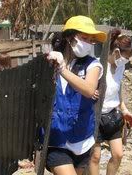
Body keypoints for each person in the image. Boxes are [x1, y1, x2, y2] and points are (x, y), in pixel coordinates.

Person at [45, 15, 107, 175]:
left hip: (82, 139)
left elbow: (88, 89)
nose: (87, 43)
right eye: (83, 38)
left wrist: (62, 69)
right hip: (55, 137)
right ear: (69, 37)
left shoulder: (93, 64)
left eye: (91, 40)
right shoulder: (51, 61)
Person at [89, 29, 132, 175]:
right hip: (95, 117)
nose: (127, 60)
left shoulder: (121, 66)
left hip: (113, 115)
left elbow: (118, 87)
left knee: (118, 155)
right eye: (126, 56)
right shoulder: (97, 67)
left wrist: (124, 109)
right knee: (95, 157)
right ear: (116, 52)